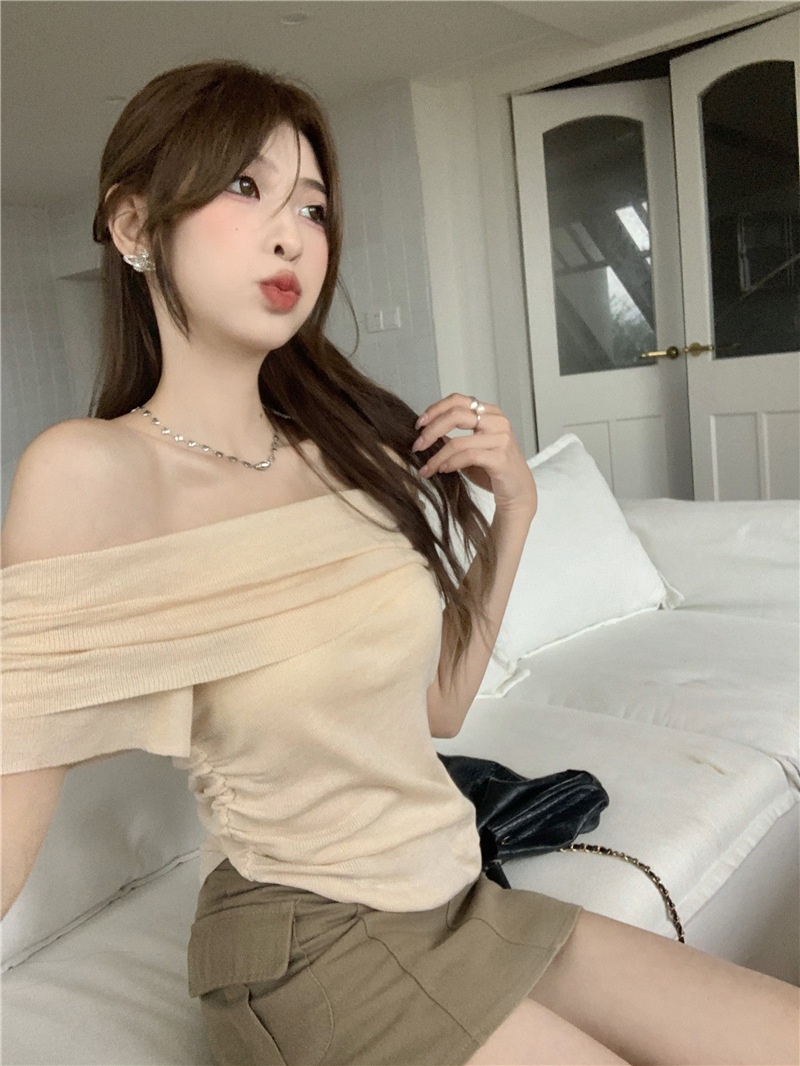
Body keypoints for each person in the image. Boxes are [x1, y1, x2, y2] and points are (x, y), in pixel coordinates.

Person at [1, 59, 797, 1066]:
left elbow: (439, 710)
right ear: (132, 225)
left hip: (456, 894)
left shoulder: (345, 456)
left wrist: (516, 508)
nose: (292, 234)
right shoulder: (89, 471)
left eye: (313, 206)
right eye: (245, 187)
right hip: (308, 947)